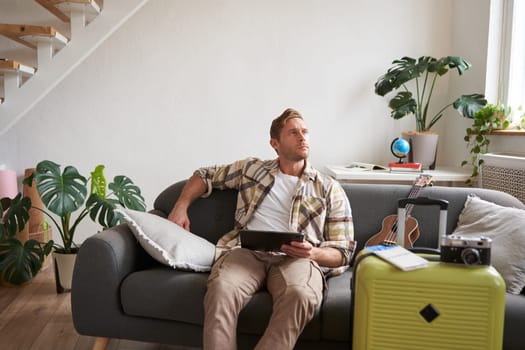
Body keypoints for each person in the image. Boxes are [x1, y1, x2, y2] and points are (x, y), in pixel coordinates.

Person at [168, 108, 355, 350]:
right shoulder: (251, 170)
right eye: (293, 132)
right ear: (274, 143)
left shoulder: (329, 188)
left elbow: (343, 251)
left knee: (301, 295)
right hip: (246, 253)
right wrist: (181, 206)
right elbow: (205, 175)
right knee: (221, 289)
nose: (303, 137)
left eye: (305, 132)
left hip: (298, 260)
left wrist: (312, 253)